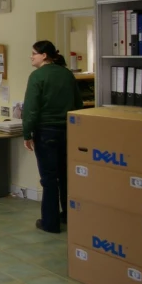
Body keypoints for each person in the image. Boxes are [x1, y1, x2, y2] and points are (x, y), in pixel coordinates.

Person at [23, 41, 83, 233]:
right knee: (66, 177)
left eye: (34, 53)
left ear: (44, 55)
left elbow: (31, 109)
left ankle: (50, 223)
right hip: (68, 131)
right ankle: (69, 216)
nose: (31, 57)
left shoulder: (37, 76)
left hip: (46, 133)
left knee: (49, 180)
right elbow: (78, 103)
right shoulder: (67, 74)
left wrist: (27, 134)